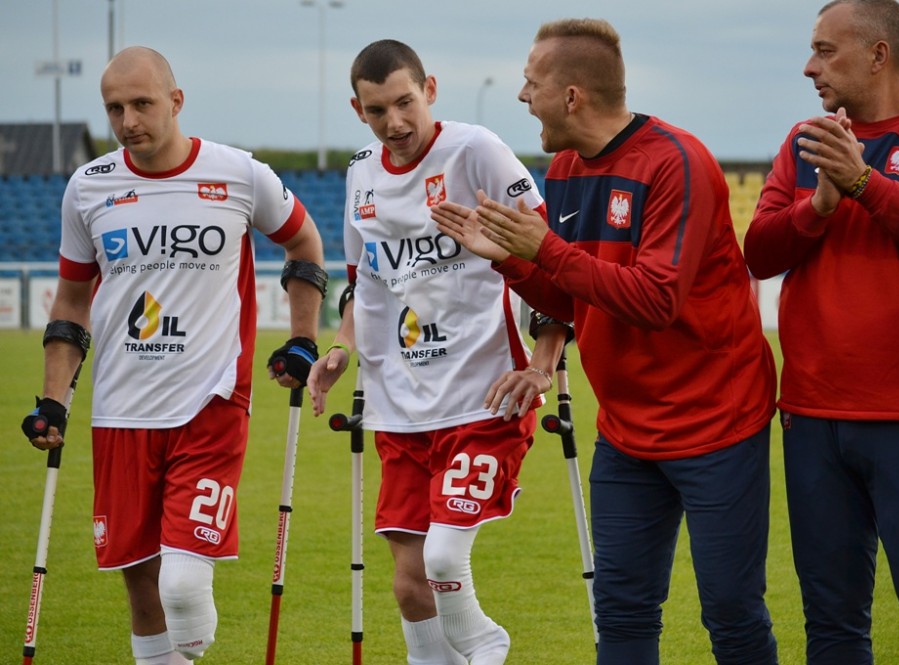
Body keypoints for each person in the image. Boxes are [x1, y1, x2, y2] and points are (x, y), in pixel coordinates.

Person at [431, 18, 779, 665]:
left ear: (572, 96)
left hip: (717, 424)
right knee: (620, 607)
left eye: (531, 83)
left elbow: (655, 300)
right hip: (625, 432)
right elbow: (573, 298)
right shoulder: (565, 168)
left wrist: (544, 249)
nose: (521, 96)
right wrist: (508, 259)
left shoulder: (676, 162)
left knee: (731, 612)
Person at [20, 46, 326, 665]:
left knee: (182, 587)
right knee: (142, 588)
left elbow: (304, 242)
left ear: (176, 100)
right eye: (114, 108)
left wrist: (302, 338)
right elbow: (72, 301)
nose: (128, 121)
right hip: (120, 411)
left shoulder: (239, 174)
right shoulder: (88, 187)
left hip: (210, 402)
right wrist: (54, 399)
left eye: (142, 103)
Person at [742, 1, 899, 663]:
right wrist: (818, 206)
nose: (810, 66)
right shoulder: (805, 141)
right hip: (811, 416)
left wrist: (861, 181)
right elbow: (758, 253)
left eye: (826, 50)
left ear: (879, 54)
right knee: (831, 624)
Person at [306, 39, 567, 665]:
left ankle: (485, 642)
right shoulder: (360, 173)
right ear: (358, 110)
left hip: (484, 394)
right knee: (409, 584)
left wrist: (543, 362)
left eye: (405, 103)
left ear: (429, 90)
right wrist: (341, 348)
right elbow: (365, 282)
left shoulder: (476, 151)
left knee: (444, 558)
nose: (394, 122)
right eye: (377, 110)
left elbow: (553, 259)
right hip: (400, 405)